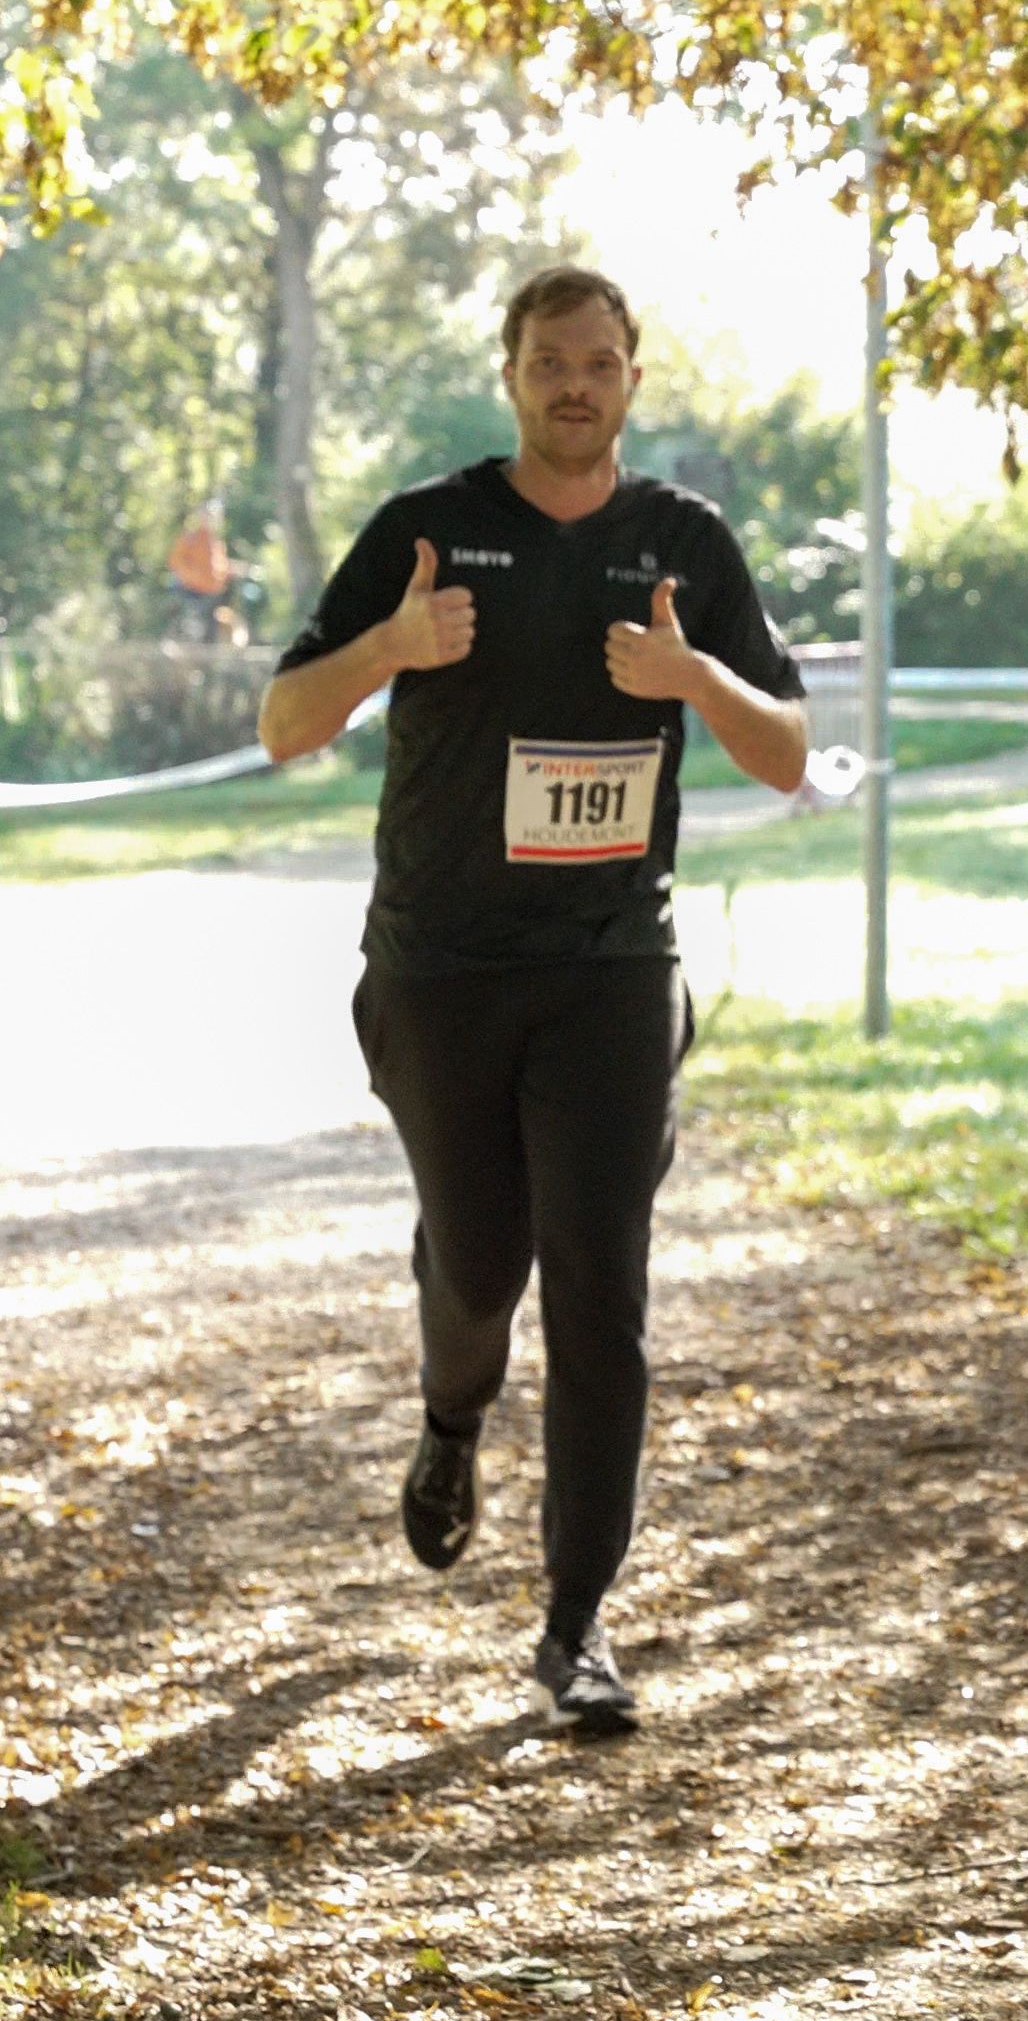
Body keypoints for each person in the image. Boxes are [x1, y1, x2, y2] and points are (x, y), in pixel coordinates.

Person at [257, 266, 808, 1735]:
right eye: (551, 361)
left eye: (600, 362)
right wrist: (389, 649)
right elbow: (283, 723)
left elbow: (787, 754)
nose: (576, 384)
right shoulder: (429, 531)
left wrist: (694, 677)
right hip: (442, 967)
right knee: (483, 1267)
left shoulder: (684, 542)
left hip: (613, 969)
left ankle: (577, 1626)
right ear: (510, 373)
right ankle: (452, 1419)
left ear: (633, 379)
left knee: (600, 1289)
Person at [169, 500, 235, 642]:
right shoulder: (191, 539)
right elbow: (176, 563)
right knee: (193, 628)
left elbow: (220, 567)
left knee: (211, 633)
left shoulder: (217, 543)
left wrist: (232, 571)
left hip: (213, 596)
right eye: (209, 515)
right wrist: (193, 577)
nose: (213, 519)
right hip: (193, 595)